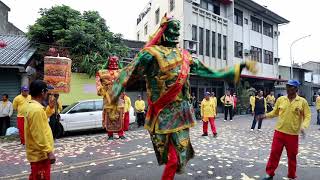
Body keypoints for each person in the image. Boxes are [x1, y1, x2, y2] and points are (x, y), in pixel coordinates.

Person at [107, 15, 257, 179]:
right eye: (172, 28)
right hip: (161, 114)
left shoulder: (185, 55)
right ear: (163, 31)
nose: (176, 32)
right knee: (169, 156)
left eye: (178, 29)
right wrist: (113, 98)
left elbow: (211, 72)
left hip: (181, 114)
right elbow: (127, 74)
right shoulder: (150, 54)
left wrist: (237, 68)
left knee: (179, 156)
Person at [259, 80, 311, 180]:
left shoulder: (302, 102)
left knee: (292, 156)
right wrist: (265, 116)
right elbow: (275, 113)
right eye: (287, 86)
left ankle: (291, 176)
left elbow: (307, 115)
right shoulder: (281, 99)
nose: (287, 88)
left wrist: (303, 126)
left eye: (290, 87)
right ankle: (269, 174)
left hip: (292, 135)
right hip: (279, 132)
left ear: (296, 89)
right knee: (274, 153)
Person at [23, 80, 56, 180]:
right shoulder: (36, 110)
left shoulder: (33, 106)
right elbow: (39, 134)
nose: (47, 94)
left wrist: (50, 108)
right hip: (40, 155)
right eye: (46, 91)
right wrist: (49, 152)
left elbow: (42, 120)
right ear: (42, 92)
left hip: (38, 153)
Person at [96, 56, 125, 140]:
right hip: (108, 97)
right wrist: (102, 90)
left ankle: (120, 133)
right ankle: (110, 134)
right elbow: (98, 84)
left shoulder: (121, 72)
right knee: (109, 115)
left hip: (118, 97)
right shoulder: (101, 72)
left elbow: (126, 81)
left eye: (115, 61)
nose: (113, 63)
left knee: (119, 115)